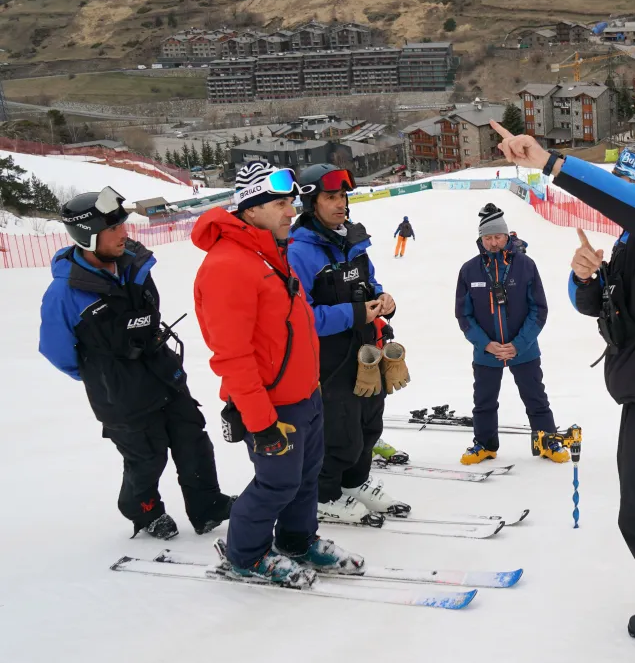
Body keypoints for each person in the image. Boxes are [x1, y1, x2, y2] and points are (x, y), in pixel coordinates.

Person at [491, 120, 635, 643]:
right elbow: (601, 306)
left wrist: (551, 164)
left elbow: (630, 205)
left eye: (629, 182)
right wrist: (585, 278)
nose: (622, 192)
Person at [193, 161, 364, 585]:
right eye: (280, 204)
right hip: (271, 405)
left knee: (305, 479)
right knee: (277, 484)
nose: (291, 211)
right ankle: (245, 555)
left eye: (290, 202)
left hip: (305, 395)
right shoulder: (228, 265)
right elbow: (231, 356)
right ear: (251, 209)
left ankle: (297, 540)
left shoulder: (271, 254)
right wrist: (260, 421)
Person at [39, 187, 234, 540]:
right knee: (147, 457)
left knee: (193, 440)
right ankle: (145, 511)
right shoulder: (64, 293)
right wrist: (102, 374)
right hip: (120, 395)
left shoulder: (134, 265)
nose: (123, 233)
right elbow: (57, 351)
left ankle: (207, 507)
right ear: (87, 236)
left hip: (163, 375)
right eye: (113, 228)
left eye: (122, 225)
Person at [288, 164, 411, 522]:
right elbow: (303, 318)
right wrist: (356, 313)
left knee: (369, 423)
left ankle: (354, 482)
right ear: (311, 203)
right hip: (328, 357)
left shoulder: (353, 241)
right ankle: (324, 494)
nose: (340, 203)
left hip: (364, 350)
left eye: (342, 196)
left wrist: (383, 299)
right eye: (330, 197)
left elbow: (370, 283)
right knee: (340, 431)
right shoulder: (299, 252)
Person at [454, 202, 564, 465]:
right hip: (487, 353)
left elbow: (539, 309)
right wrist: (486, 344)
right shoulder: (469, 270)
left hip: (524, 350)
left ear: (507, 236)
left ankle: (547, 441)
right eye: (488, 238)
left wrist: (518, 344)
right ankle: (485, 445)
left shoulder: (525, 265)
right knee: (484, 401)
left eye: (498, 237)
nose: (493, 243)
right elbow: (464, 315)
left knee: (536, 397)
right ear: (481, 239)